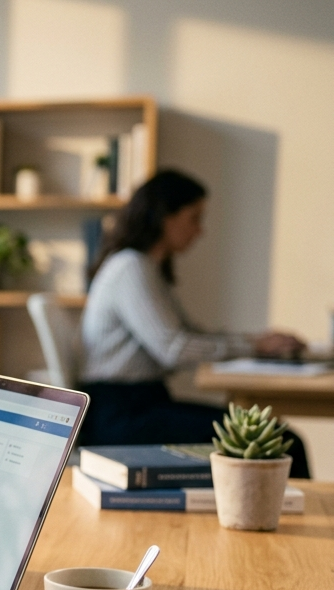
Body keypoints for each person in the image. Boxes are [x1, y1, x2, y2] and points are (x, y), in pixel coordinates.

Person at [77, 169, 310, 477]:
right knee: (283, 442)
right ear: (165, 217)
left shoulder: (145, 268)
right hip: (122, 416)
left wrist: (257, 342)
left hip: (138, 405)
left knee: (275, 437)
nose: (200, 230)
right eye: (194, 218)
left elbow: (188, 335)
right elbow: (175, 349)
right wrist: (254, 345)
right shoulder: (130, 268)